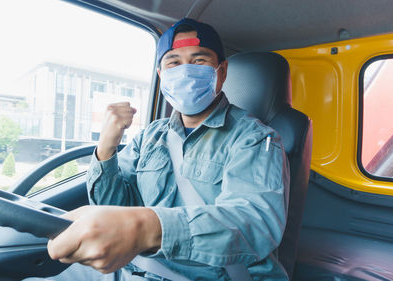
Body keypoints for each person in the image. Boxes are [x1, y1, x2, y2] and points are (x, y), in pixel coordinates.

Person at [47, 18, 290, 280]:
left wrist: (145, 228)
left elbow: (253, 223)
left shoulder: (255, 139)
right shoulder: (151, 136)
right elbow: (114, 206)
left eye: (199, 61)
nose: (185, 72)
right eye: (174, 63)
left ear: (222, 72)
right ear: (162, 76)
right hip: (132, 269)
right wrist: (106, 148)